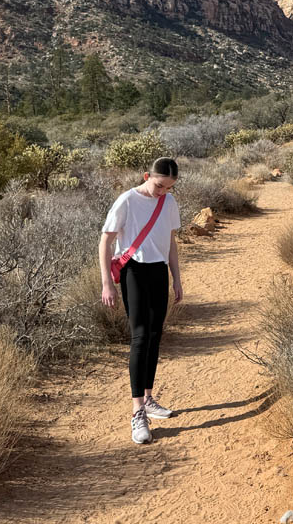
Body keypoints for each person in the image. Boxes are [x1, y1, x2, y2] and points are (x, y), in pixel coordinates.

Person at [99, 156, 182, 444]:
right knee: (140, 336)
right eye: (160, 186)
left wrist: (177, 278)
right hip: (133, 269)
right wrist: (106, 284)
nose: (163, 192)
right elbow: (105, 241)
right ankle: (137, 412)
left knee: (156, 335)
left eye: (169, 188)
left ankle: (148, 398)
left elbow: (170, 242)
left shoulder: (168, 203)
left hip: (159, 271)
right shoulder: (127, 200)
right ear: (147, 175)